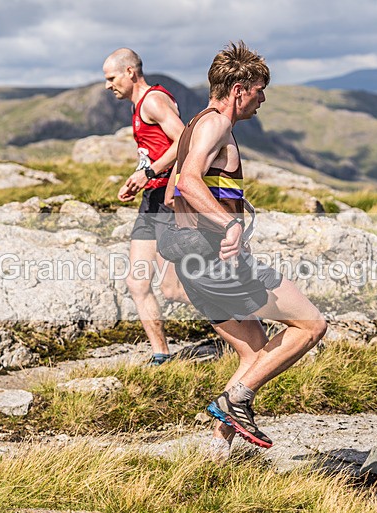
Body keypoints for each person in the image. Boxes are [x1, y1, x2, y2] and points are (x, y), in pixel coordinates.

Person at [164, 42, 327, 457]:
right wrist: (228, 222)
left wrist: (225, 205)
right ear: (239, 89)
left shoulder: (194, 126)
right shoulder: (216, 124)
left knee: (256, 352)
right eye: (259, 90)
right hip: (216, 260)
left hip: (193, 263)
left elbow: (170, 194)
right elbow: (187, 184)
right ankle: (233, 401)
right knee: (310, 325)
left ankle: (219, 454)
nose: (263, 99)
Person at [102, 48, 188, 365]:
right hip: (150, 198)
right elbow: (152, 153)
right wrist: (138, 178)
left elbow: (183, 140)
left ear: (130, 72)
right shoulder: (139, 105)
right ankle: (161, 355)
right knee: (137, 282)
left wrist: (150, 173)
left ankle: (244, 319)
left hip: (168, 198)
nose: (108, 85)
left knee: (173, 289)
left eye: (111, 78)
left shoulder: (153, 100)